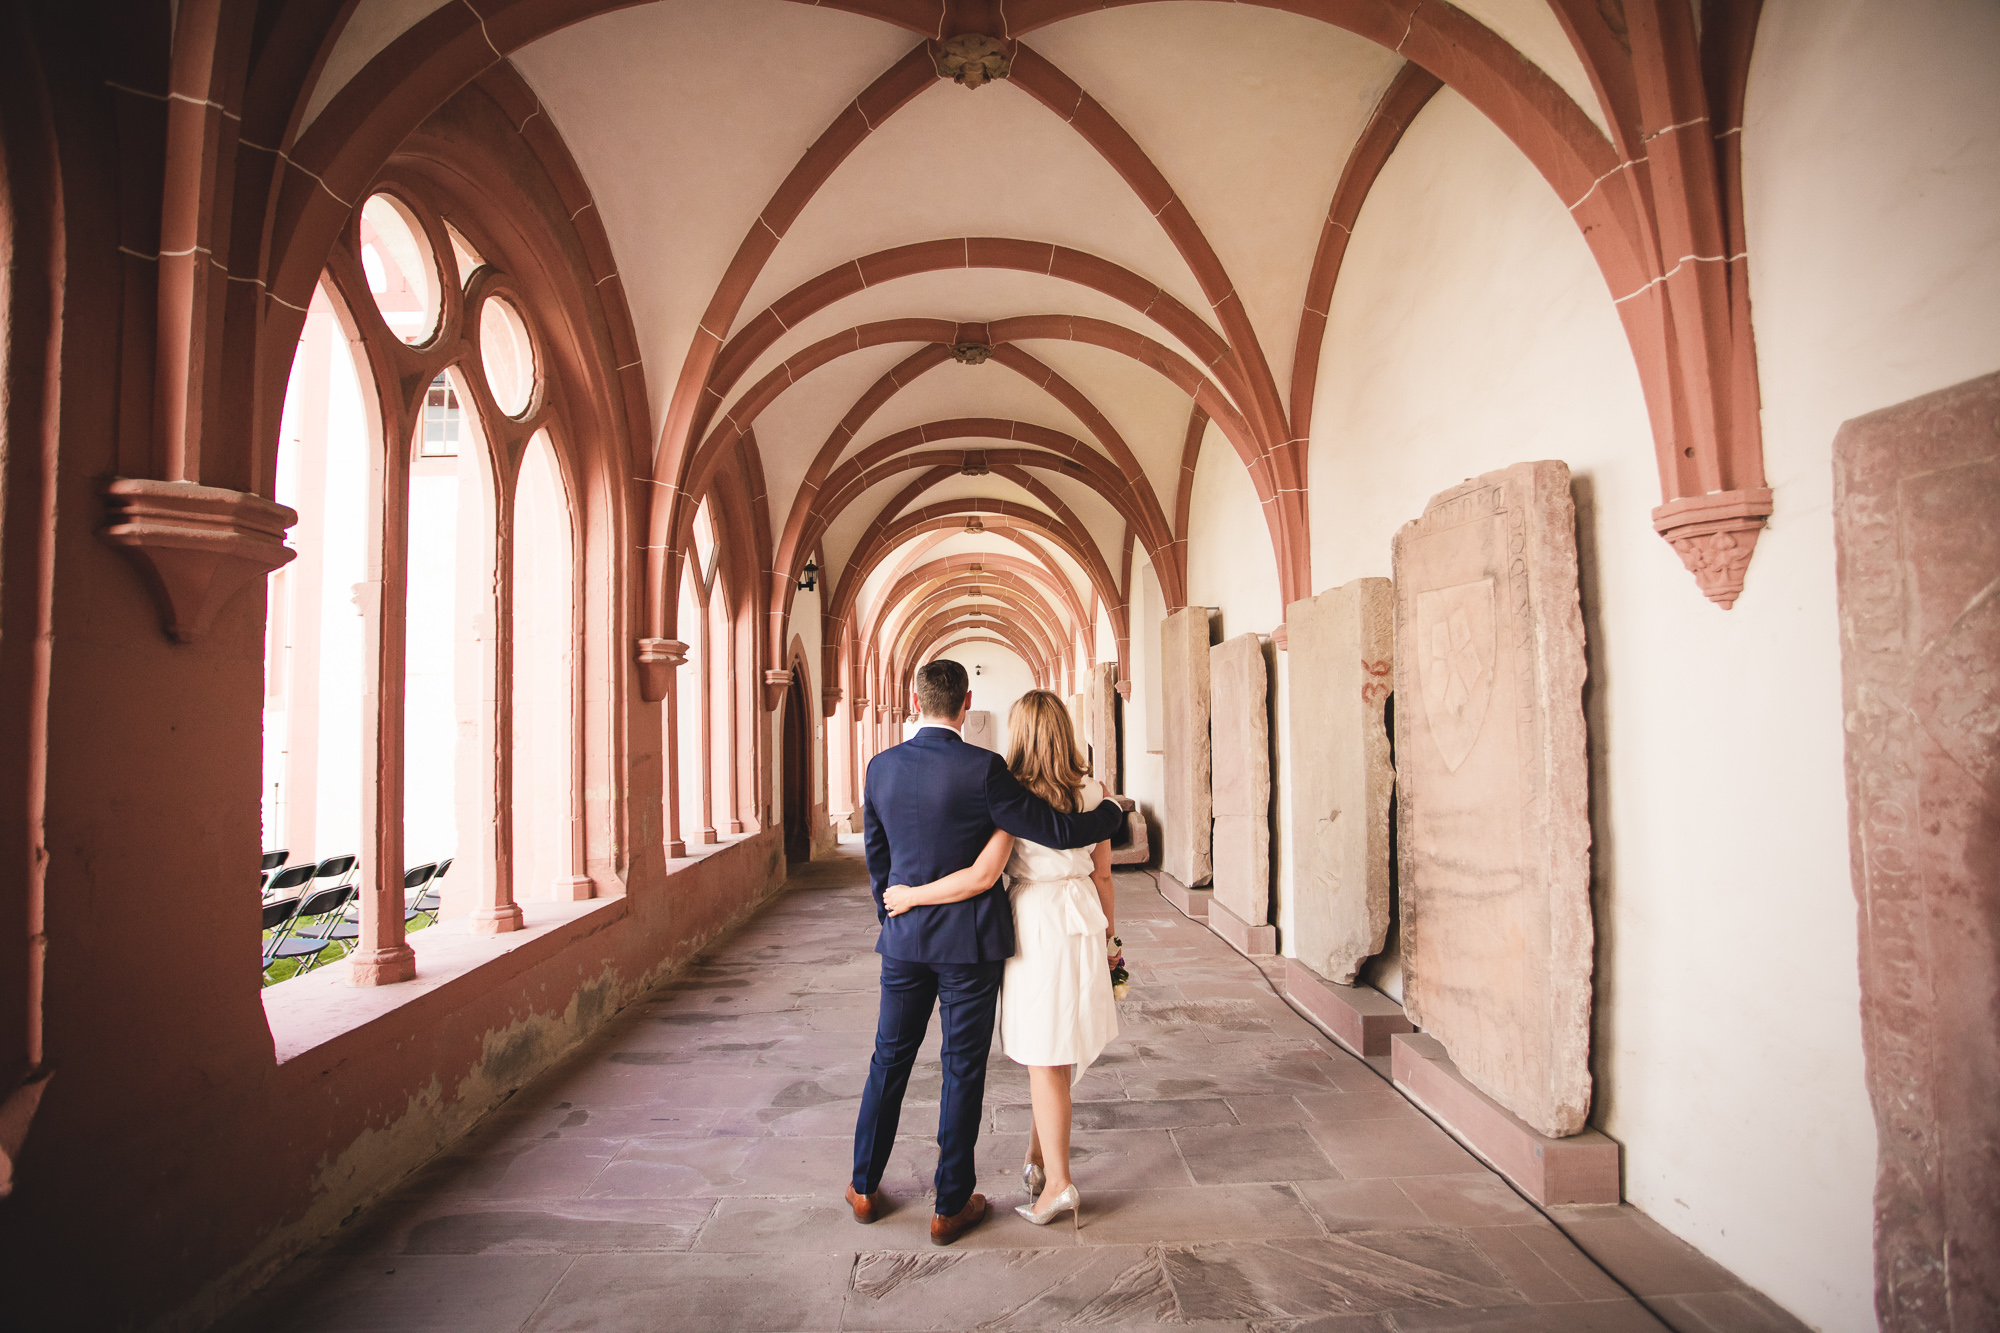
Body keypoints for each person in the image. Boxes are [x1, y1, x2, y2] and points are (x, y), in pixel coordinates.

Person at [849, 660, 1124, 1246]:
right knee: (961, 1069)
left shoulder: (879, 768)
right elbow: (1055, 828)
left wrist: (892, 913)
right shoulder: (984, 769)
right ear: (966, 701)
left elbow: (878, 860)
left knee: (887, 1061)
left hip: (903, 939)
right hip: (970, 944)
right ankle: (950, 1206)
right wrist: (1110, 812)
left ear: (912, 699)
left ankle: (864, 1187)